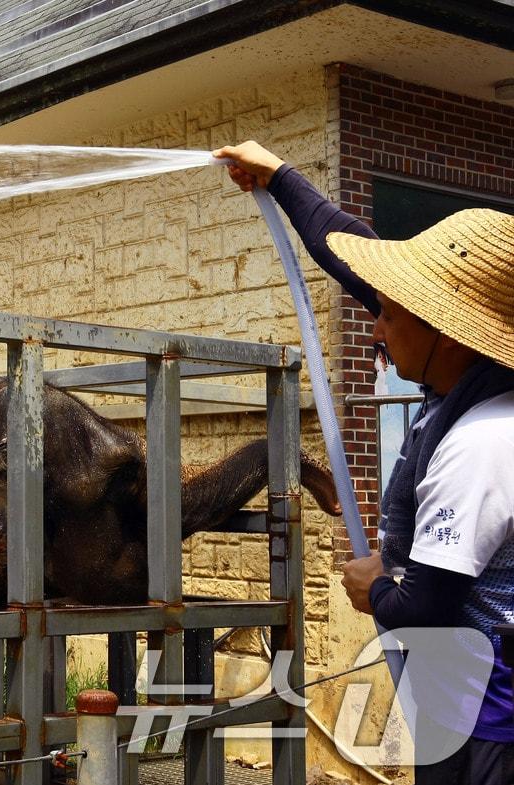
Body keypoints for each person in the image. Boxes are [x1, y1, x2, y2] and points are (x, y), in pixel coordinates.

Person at [214, 141, 514, 784]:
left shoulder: (482, 446)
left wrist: (375, 587)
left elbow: (427, 611)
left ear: (448, 330)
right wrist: (283, 178)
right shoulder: (473, 391)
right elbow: (355, 257)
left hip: (485, 724)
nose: (375, 328)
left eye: (392, 314)